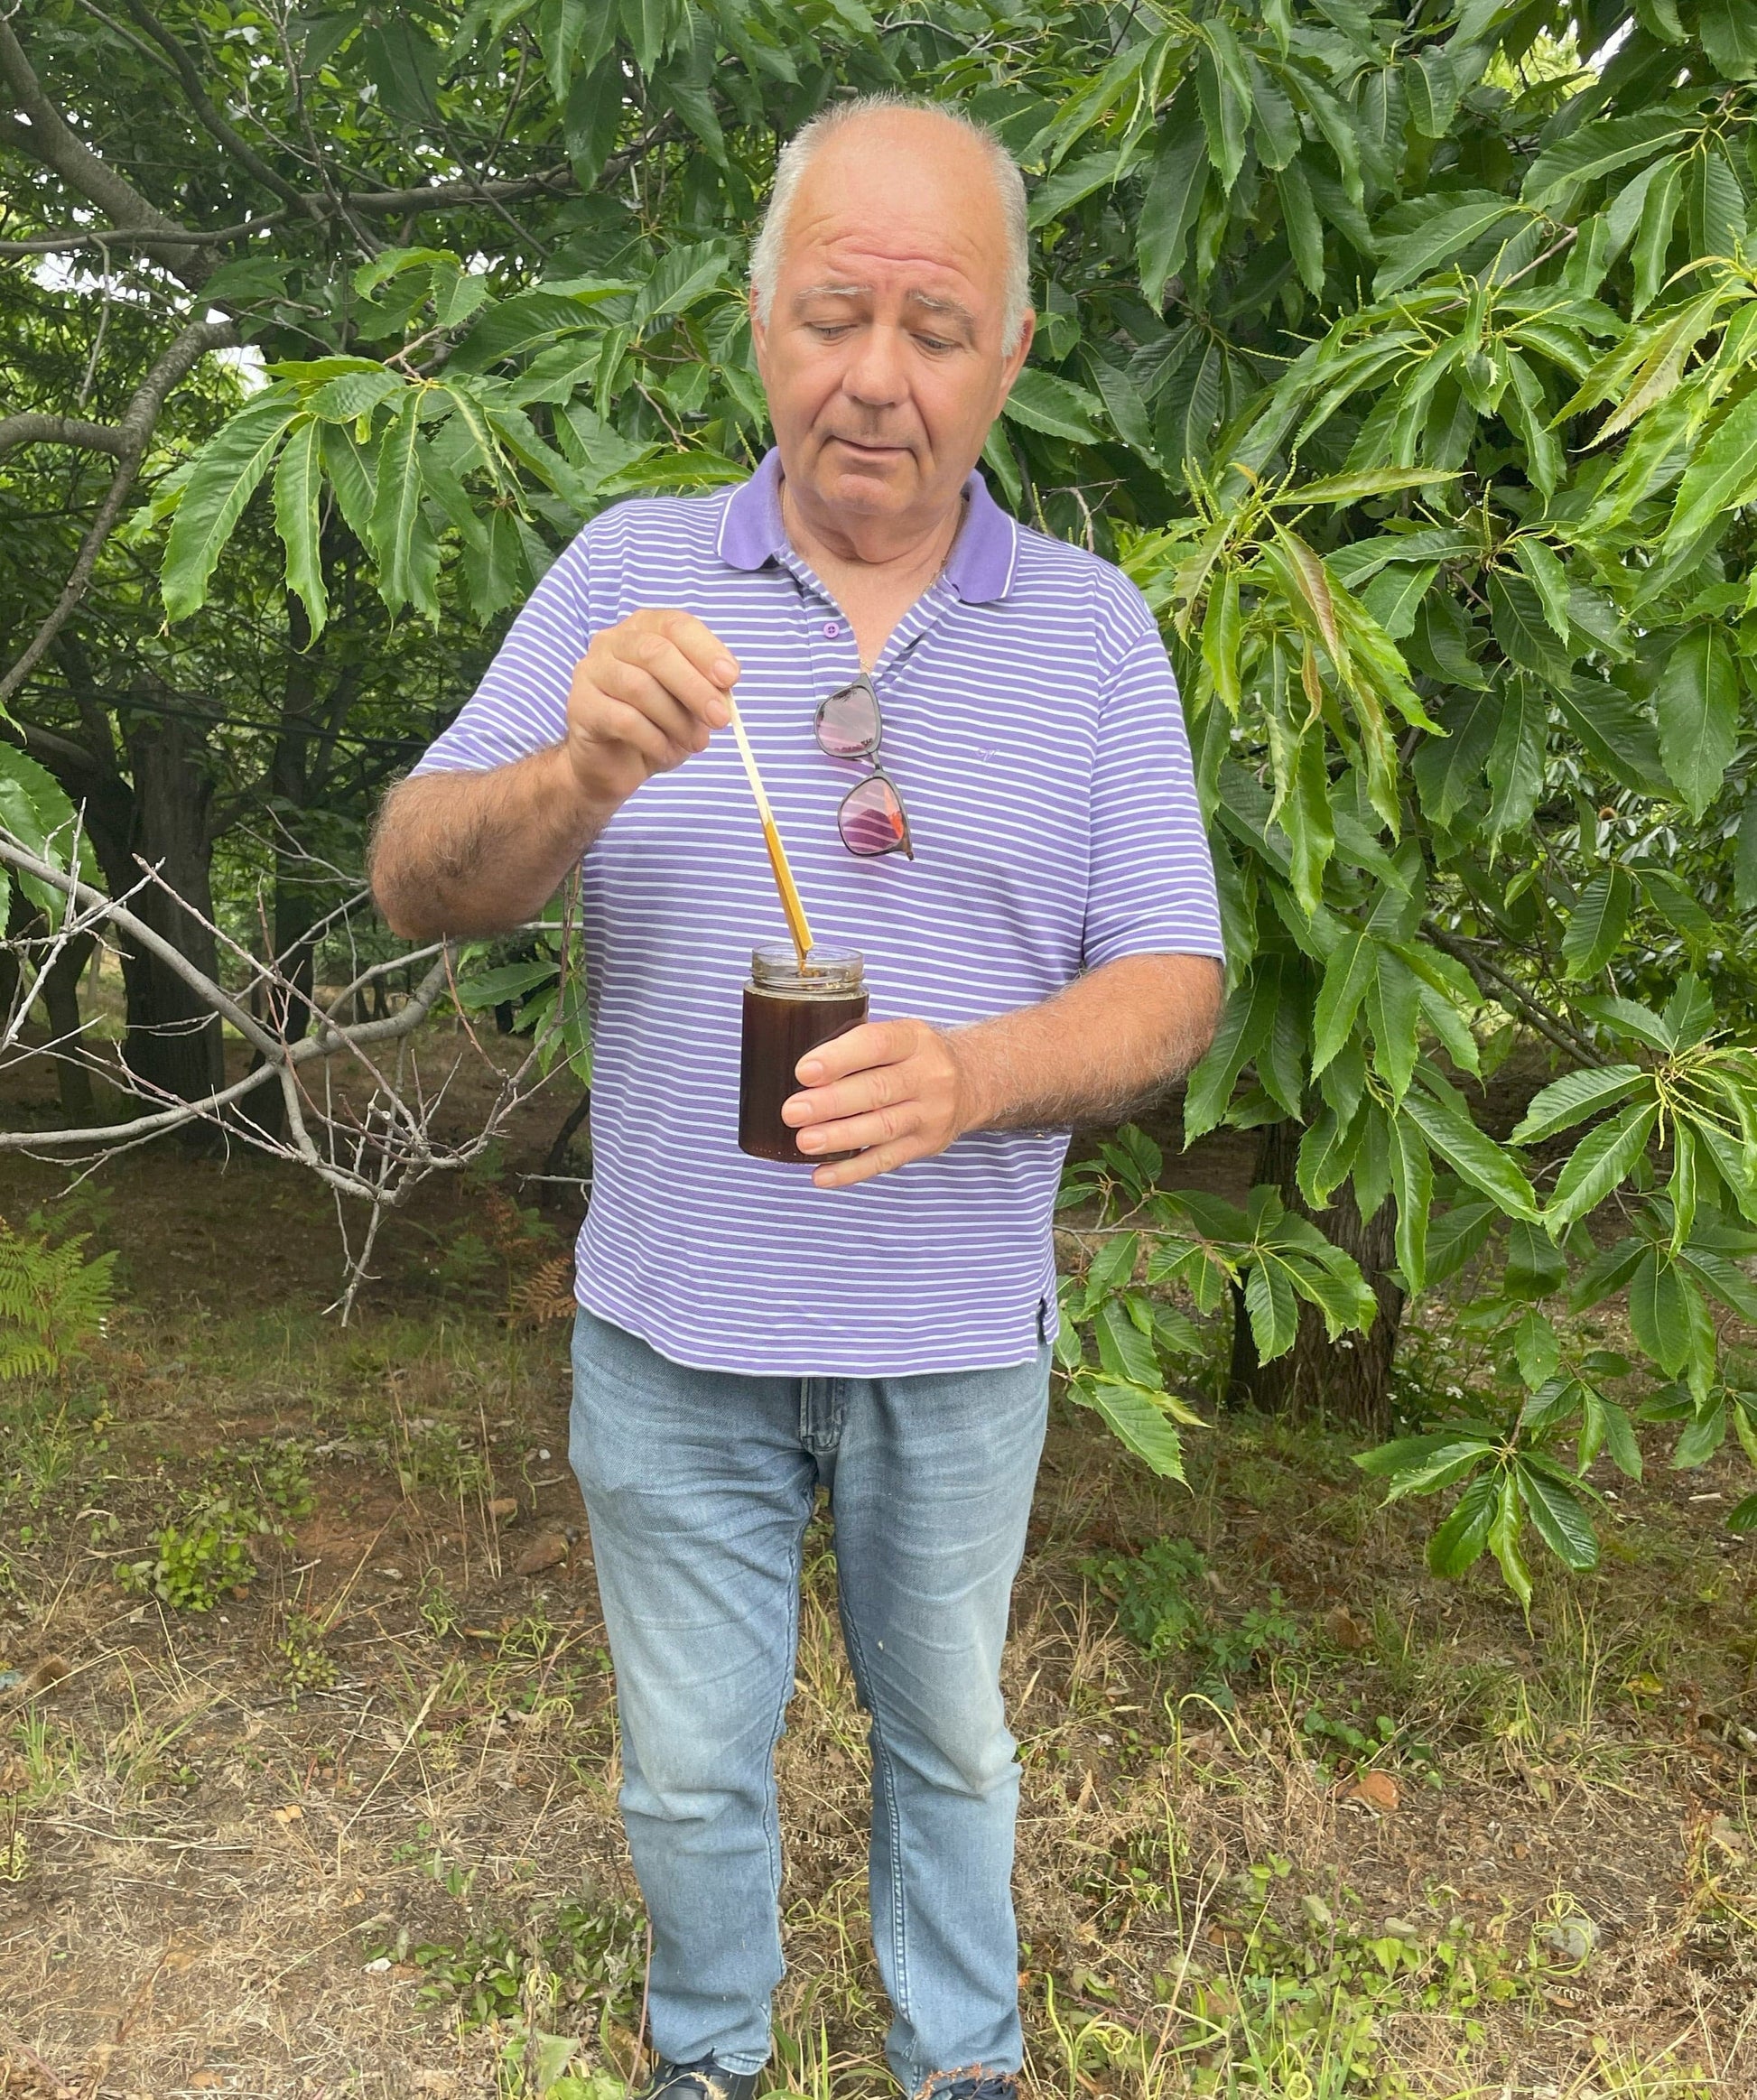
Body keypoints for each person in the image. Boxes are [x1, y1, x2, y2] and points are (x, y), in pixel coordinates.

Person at [371, 92, 1223, 2100]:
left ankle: (962, 2061)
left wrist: (976, 1070)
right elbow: (417, 874)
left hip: (956, 1341)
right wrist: (578, 772)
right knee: (687, 1765)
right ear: (758, 321)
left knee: (954, 1746)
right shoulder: (627, 577)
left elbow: (1175, 984)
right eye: (833, 315)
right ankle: (708, 2056)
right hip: (675, 1333)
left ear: (1010, 354)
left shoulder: (1091, 631)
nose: (875, 378)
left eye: (935, 329)